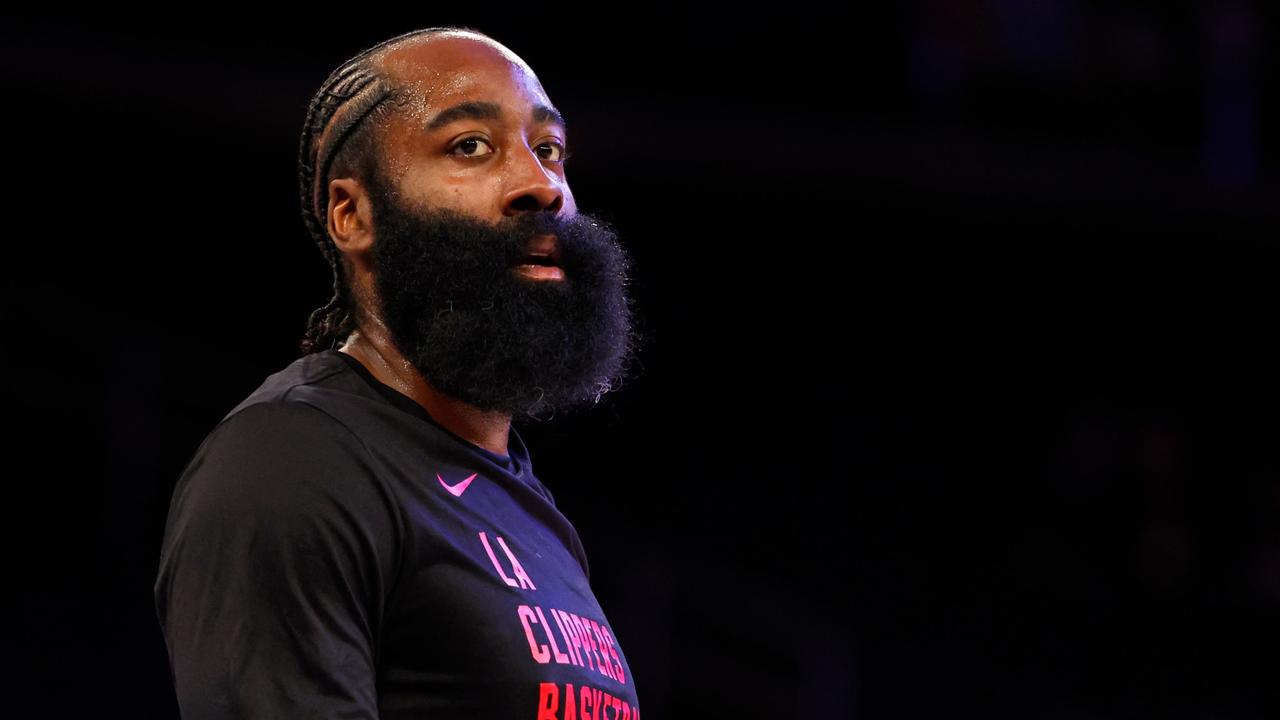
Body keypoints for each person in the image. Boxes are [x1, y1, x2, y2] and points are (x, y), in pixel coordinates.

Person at [153, 26, 643, 719]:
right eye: (470, 145)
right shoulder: (292, 463)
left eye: (551, 150)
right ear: (353, 215)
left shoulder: (530, 509)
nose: (541, 185)